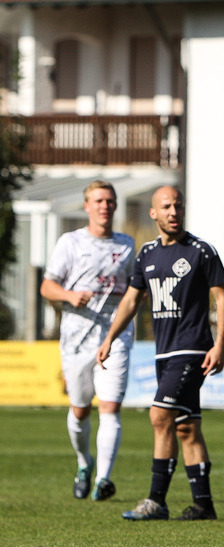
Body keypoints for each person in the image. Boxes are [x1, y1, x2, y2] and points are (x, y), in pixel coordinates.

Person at [97, 186, 224, 521]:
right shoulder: (146, 254)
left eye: (178, 206)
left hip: (193, 349)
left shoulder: (201, 250)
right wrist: (110, 337)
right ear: (153, 213)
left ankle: (156, 501)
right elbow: (130, 300)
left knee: (159, 416)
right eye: (167, 207)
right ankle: (204, 505)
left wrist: (219, 344)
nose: (174, 212)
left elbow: (222, 297)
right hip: (164, 353)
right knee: (186, 426)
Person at [41, 181, 135, 502]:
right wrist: (69, 295)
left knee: (110, 407)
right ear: (86, 206)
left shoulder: (126, 245)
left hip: (116, 336)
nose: (104, 206)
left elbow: (135, 291)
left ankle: (104, 479)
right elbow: (47, 286)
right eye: (98, 201)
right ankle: (84, 464)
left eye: (109, 201)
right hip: (76, 338)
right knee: (80, 411)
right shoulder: (70, 242)